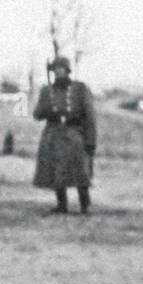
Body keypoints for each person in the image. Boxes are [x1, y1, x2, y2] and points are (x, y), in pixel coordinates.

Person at [32, 56, 97, 214]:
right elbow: (37, 114)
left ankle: (84, 204)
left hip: (74, 134)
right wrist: (48, 109)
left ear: (68, 70)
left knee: (80, 170)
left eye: (62, 68)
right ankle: (62, 204)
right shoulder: (47, 90)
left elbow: (90, 116)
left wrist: (91, 140)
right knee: (56, 170)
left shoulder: (80, 88)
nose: (58, 71)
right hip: (53, 134)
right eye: (56, 69)